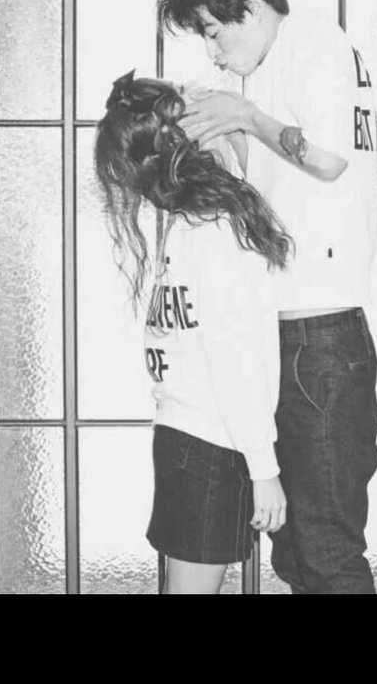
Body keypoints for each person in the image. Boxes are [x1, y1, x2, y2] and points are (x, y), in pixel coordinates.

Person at [159, 0, 377, 594]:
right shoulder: (265, 69)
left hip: (320, 337)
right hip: (295, 335)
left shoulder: (311, 38)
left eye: (213, 30)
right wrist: (220, 123)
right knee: (299, 552)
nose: (213, 51)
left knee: (325, 549)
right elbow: (259, 173)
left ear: (251, 7)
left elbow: (329, 158)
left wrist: (246, 118)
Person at [94, 70, 291, 594]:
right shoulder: (218, 229)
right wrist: (263, 468)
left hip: (185, 436)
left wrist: (223, 119)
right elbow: (235, 356)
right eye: (193, 104)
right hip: (213, 443)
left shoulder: (191, 224)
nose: (204, 99)